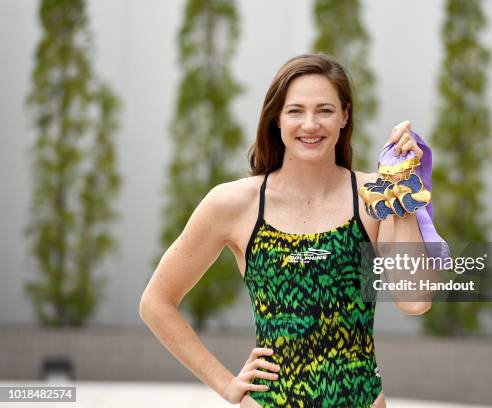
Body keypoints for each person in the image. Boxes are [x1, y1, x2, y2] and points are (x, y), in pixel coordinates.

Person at [139, 53, 434, 408]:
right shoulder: (234, 204)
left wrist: (399, 181)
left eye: (325, 110)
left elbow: (415, 300)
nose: (310, 124)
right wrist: (226, 385)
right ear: (276, 119)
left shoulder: (373, 196)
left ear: (345, 116)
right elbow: (156, 303)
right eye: (295, 111)